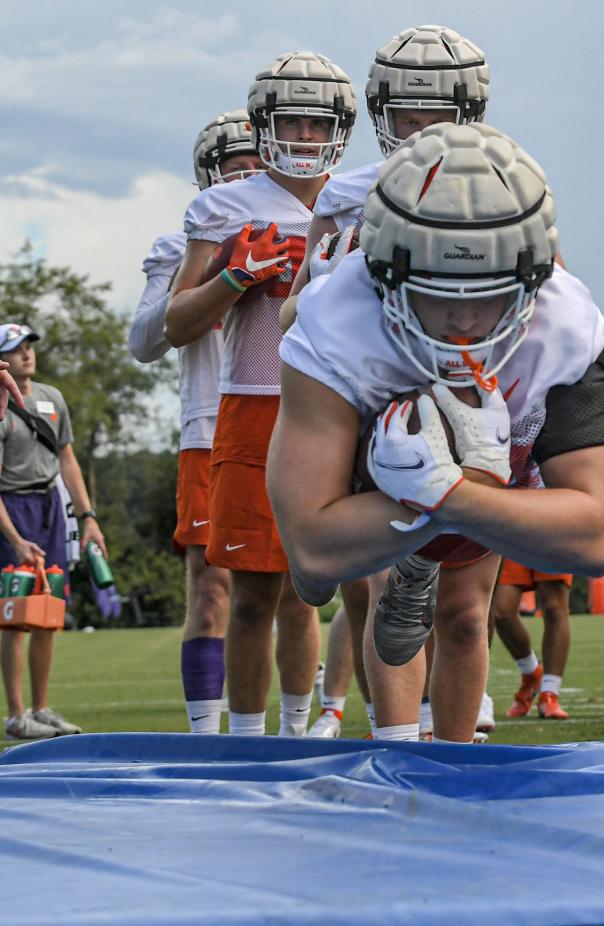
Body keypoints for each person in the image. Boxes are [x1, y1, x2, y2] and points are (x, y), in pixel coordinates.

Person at [269, 122, 604, 744]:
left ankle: (420, 569)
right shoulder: (335, 322)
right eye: (438, 296)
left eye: (487, 295)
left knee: (465, 611)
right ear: (383, 273)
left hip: (493, 460)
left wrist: (447, 496)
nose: (464, 321)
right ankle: (408, 559)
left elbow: (599, 540)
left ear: (532, 277)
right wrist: (443, 494)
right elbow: (311, 547)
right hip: (373, 452)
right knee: (317, 580)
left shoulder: (565, 324)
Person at [285, 25, 491, 740]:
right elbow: (291, 316)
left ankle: (456, 764)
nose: (422, 129)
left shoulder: (504, 185)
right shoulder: (343, 197)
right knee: (380, 588)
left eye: (438, 113)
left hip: (471, 406)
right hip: (382, 409)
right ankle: (399, 758)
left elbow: (546, 300)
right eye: (408, 113)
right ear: (381, 112)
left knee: (465, 606)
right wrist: (324, 274)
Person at [165, 52, 357, 736]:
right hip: (251, 403)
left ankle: (300, 730)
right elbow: (176, 321)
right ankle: (245, 744)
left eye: (317, 124)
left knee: (311, 594)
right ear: (263, 126)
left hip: (338, 405)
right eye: (292, 122)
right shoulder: (222, 207)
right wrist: (232, 279)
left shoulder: (360, 197)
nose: (305, 137)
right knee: (251, 594)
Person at [128, 111, 263, 733]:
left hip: (286, 422)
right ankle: (205, 736)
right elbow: (145, 342)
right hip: (209, 428)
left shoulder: (301, 224)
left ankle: (289, 725)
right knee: (210, 590)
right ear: (210, 177)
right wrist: (214, 275)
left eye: (257, 166)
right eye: (238, 169)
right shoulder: (182, 244)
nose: (251, 178)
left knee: (286, 593)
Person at [0, 324, 106, 739]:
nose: (26, 354)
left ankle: (42, 709)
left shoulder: (52, 398)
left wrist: (88, 517)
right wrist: (13, 538)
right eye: (15, 349)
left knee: (47, 611)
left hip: (50, 509)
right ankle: (17, 714)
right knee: (15, 614)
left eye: (29, 347)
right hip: (12, 509)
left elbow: (67, 459)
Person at [492, 560, 573, 720]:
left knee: (554, 606)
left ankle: (550, 694)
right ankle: (531, 672)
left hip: (553, 536)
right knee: (501, 611)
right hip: (511, 536)